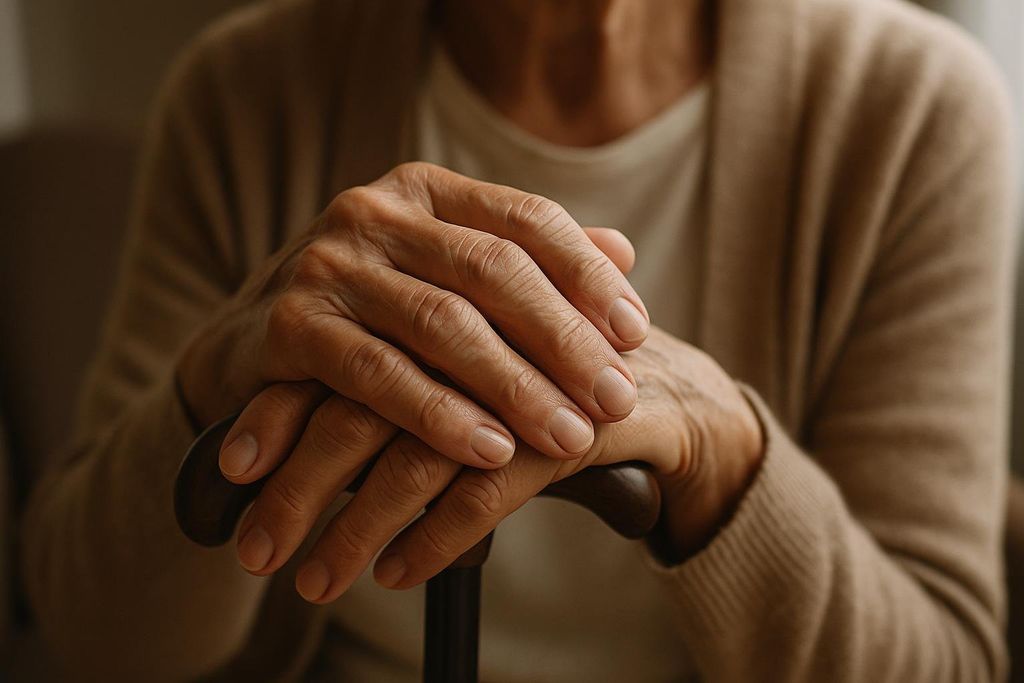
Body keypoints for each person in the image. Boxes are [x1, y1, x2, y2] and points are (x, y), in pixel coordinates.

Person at [20, 0, 1018, 680]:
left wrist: (721, 449)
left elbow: (943, 660)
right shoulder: (242, 94)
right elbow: (93, 633)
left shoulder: (916, 110)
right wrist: (214, 383)